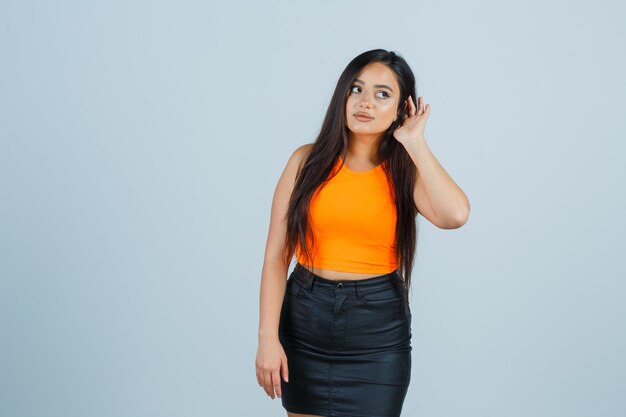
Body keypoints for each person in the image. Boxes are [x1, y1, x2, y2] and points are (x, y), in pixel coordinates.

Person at [256, 49, 470, 417]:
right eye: (356, 89)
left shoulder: (405, 171)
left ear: (403, 108)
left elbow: (455, 215)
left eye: (382, 94)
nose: (366, 102)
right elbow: (276, 257)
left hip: (377, 335)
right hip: (305, 324)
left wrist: (415, 142)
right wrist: (267, 339)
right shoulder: (304, 163)